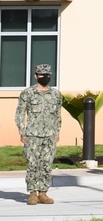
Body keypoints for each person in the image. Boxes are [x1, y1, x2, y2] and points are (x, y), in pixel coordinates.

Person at [16, 62, 62, 205]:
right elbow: (19, 114)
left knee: (47, 165)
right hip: (32, 135)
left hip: (49, 135)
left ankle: (43, 193)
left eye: (47, 75)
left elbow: (57, 115)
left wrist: (57, 132)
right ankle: (32, 193)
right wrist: (22, 132)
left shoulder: (55, 94)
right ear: (36, 76)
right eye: (42, 75)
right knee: (33, 164)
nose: (45, 77)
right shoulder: (28, 93)